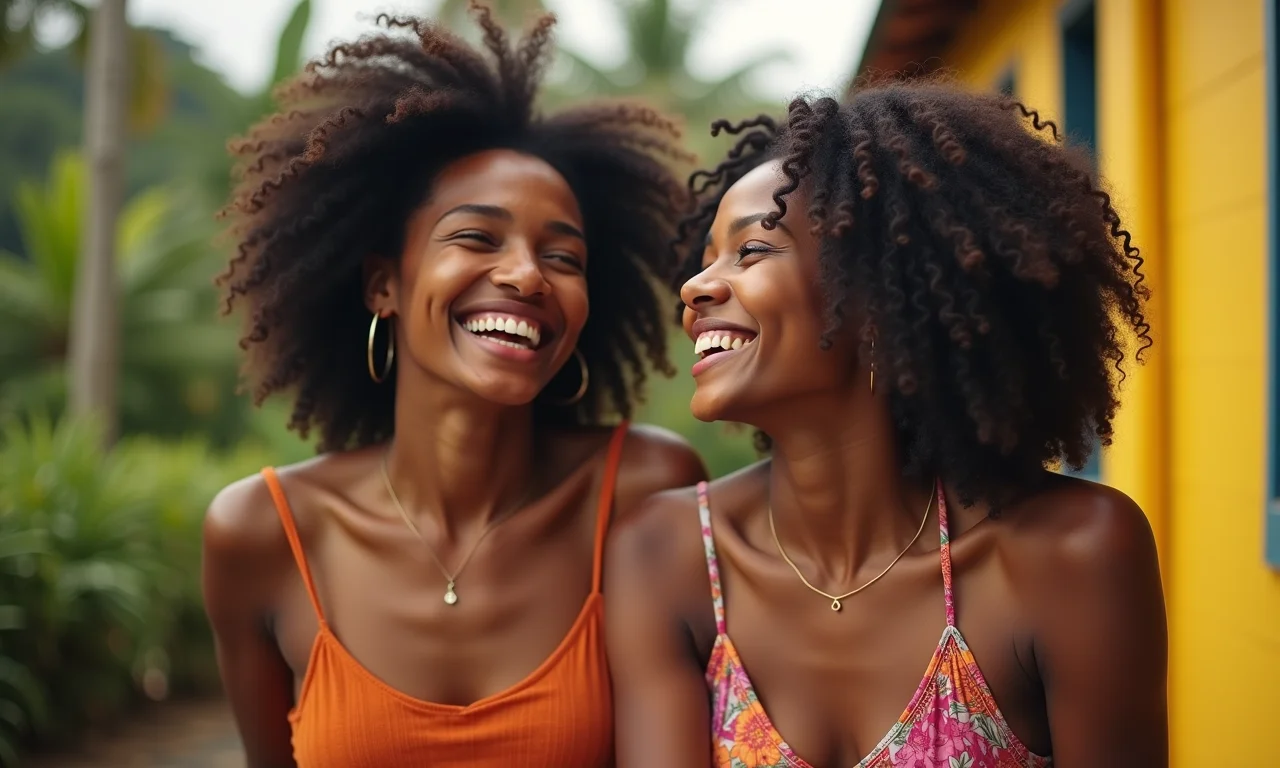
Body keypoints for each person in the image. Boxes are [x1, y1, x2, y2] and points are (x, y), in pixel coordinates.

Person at [201, 4, 706, 767]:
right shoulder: (263, 533)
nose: (526, 275)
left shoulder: (645, 492)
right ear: (384, 284)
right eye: (476, 236)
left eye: (563, 257)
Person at [607, 82, 1167, 768]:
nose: (695, 288)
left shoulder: (1071, 555)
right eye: (706, 259)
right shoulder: (667, 555)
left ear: (876, 298)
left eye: (750, 251)